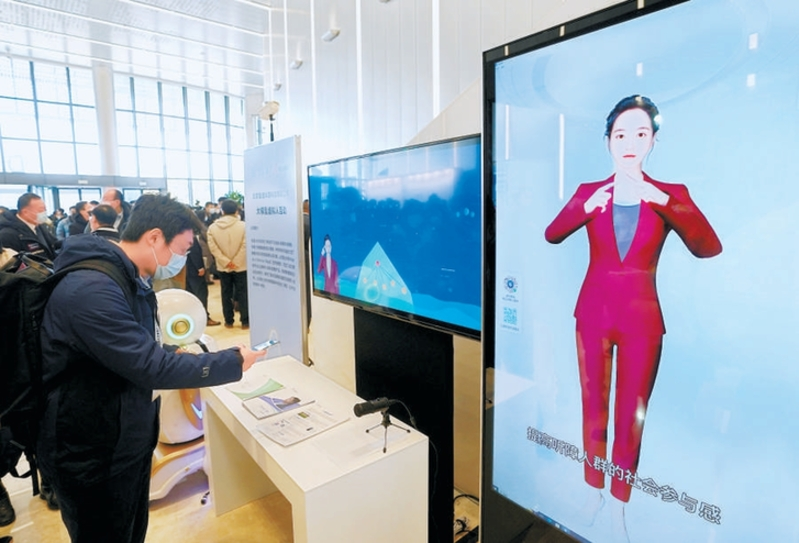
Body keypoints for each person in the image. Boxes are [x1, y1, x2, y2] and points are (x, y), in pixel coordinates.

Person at [37, 193, 266, 543]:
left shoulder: (126, 277)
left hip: (122, 436)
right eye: (182, 249)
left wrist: (181, 351)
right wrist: (232, 362)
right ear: (155, 237)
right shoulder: (92, 289)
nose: (182, 260)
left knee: (130, 529)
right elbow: (149, 365)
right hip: (91, 450)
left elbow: (140, 346)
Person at [544, 95, 722, 534]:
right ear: (607, 140)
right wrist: (582, 209)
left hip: (643, 322)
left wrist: (662, 201)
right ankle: (592, 493)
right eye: (620, 134)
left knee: (631, 417)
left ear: (653, 140)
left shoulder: (671, 194)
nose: (629, 143)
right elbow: (552, 234)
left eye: (640, 133)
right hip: (592, 316)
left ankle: (619, 507)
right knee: (593, 411)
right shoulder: (589, 193)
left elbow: (708, 247)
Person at [207, 199, 249, 330]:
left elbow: (213, 248)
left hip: (223, 266)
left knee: (226, 293)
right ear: (237, 211)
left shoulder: (212, 228)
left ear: (222, 211)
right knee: (243, 293)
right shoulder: (244, 226)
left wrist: (226, 261)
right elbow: (245, 245)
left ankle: (229, 321)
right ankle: (245, 321)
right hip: (241, 265)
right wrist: (236, 261)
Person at [0, 193, 60, 260]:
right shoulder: (7, 234)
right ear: (25, 212)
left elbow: (53, 244)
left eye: (45, 210)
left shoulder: (39, 226)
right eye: (40, 210)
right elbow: (11, 263)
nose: (44, 213)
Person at [185, 214, 220, 326]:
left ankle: (194, 317)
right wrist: (200, 267)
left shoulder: (178, 231)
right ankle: (204, 317)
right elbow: (193, 251)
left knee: (190, 293)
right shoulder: (188, 233)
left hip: (186, 269)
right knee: (201, 293)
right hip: (194, 269)